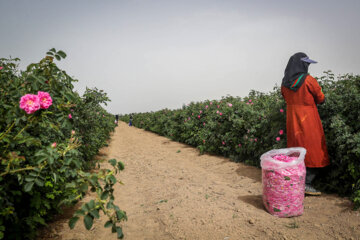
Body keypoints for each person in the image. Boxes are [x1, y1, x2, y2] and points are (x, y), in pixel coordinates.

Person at [281, 52, 329, 196]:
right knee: (313, 150)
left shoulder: (285, 83)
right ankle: (306, 183)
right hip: (308, 120)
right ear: (302, 64)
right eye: (306, 63)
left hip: (292, 120)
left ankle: (295, 180)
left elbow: (285, 97)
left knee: (296, 149)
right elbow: (321, 98)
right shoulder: (308, 80)